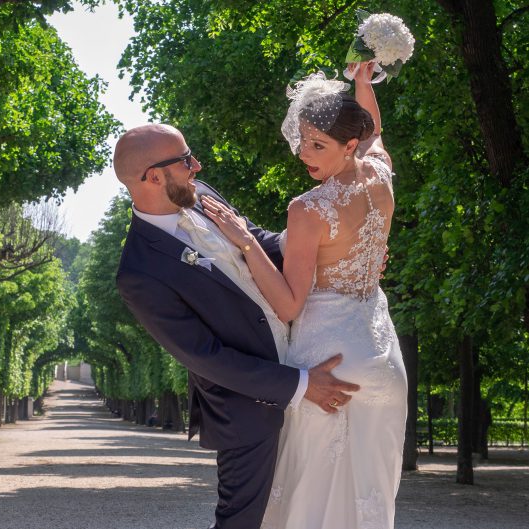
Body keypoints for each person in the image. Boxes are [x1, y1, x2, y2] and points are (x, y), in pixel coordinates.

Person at [114, 123, 360, 529]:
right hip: (250, 410)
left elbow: (259, 242)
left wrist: (333, 247)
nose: (197, 165)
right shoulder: (139, 273)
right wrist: (300, 384)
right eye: (184, 160)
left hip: (309, 346)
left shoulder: (201, 193)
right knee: (243, 522)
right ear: (153, 177)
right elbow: (207, 358)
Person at [202, 62, 408, 529]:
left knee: (308, 499)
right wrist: (362, 83)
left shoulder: (308, 208)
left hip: (326, 363)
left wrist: (246, 241)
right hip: (382, 359)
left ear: (348, 144)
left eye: (318, 145)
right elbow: (376, 132)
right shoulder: (381, 175)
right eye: (303, 141)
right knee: (368, 498)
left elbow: (289, 303)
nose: (304, 155)